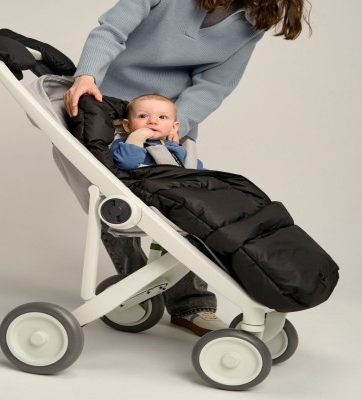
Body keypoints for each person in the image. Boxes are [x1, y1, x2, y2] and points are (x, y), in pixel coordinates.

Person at [63, 0, 310, 336]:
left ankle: (191, 304)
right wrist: (86, 75)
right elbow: (112, 29)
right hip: (104, 106)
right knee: (116, 204)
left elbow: (214, 85)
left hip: (169, 122)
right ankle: (136, 286)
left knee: (185, 207)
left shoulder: (252, 20)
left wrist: (174, 127)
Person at [111, 93, 203, 170]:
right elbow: (127, 164)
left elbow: (197, 171)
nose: (153, 121)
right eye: (143, 116)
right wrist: (137, 137)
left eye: (162, 117)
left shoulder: (178, 148)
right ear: (127, 125)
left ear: (173, 127)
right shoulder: (123, 144)